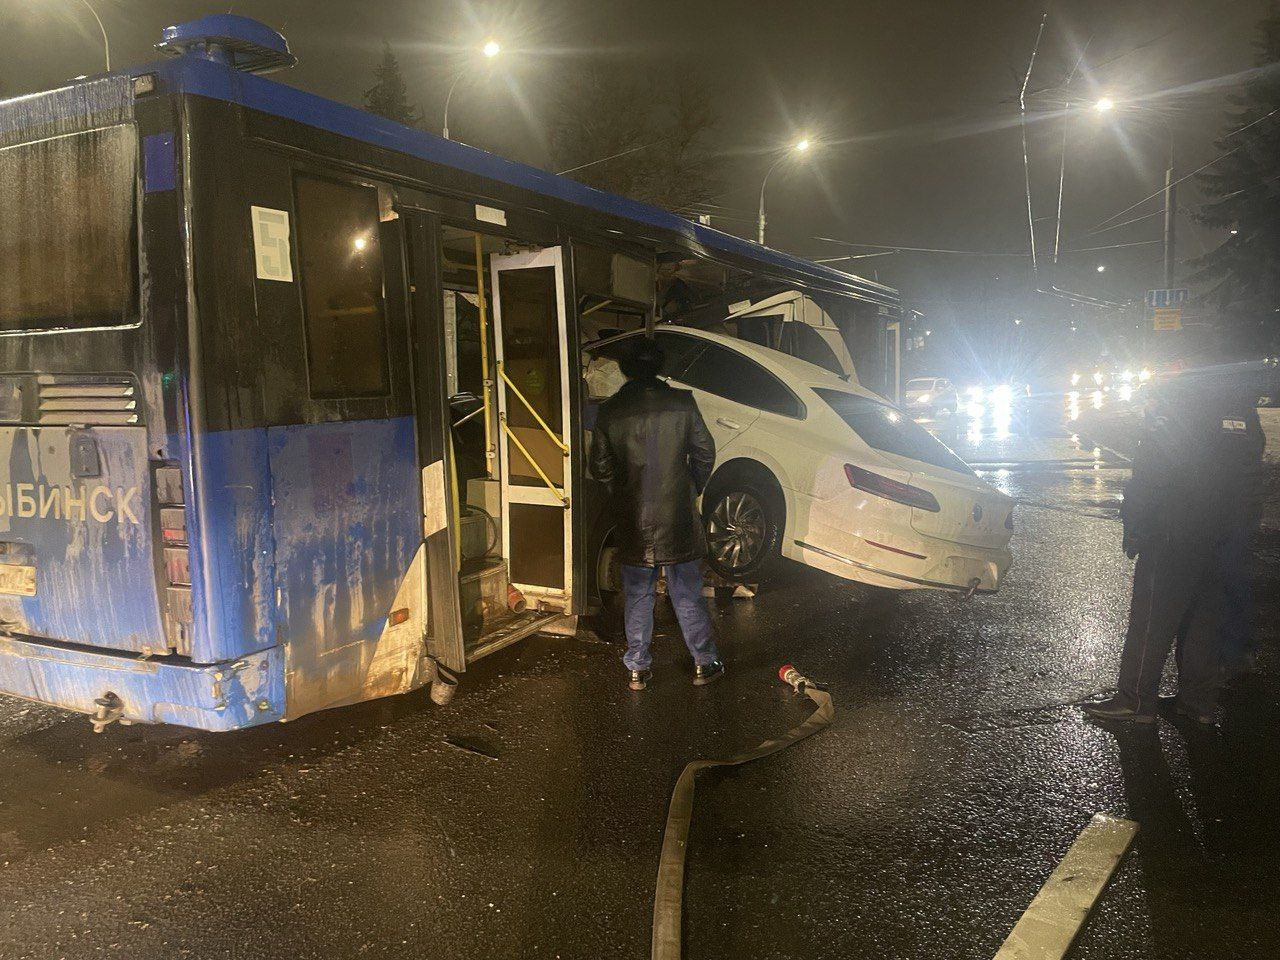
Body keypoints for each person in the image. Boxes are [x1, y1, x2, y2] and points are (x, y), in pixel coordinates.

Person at [1084, 362, 1264, 725]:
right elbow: (1251, 464)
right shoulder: (1242, 412)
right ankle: (1197, 703)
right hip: (1226, 531)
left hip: (1175, 529)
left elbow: (1152, 473)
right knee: (1205, 615)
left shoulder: (1175, 411)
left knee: (1152, 616)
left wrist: (1136, 524)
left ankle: (1135, 700)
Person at [588, 337, 723, 691]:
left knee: (637, 594)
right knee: (687, 592)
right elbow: (704, 452)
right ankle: (704, 664)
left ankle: (636, 667)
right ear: (660, 367)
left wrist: (624, 493)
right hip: (677, 514)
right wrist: (690, 487)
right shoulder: (682, 403)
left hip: (634, 517)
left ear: (626, 369)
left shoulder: (610, 411)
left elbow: (601, 468)